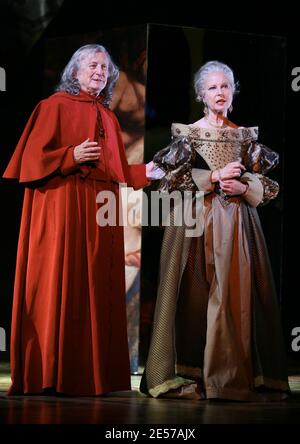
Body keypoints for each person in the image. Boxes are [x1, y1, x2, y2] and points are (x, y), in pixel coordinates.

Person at [3, 44, 156, 396]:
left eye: (105, 67)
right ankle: (51, 373)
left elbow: (115, 169)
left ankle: (89, 373)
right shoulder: (52, 106)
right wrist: (70, 155)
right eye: (93, 65)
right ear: (75, 72)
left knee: (92, 289)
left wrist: (147, 171)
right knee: (59, 282)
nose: (101, 71)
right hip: (60, 210)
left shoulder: (109, 117)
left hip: (97, 216)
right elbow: (30, 161)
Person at [140, 60, 290, 401]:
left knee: (233, 296)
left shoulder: (244, 136)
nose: (220, 93)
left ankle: (230, 376)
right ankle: (188, 371)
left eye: (225, 86)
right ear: (200, 95)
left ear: (233, 92)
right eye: (212, 87)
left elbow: (267, 185)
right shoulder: (187, 134)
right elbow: (167, 182)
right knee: (193, 297)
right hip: (194, 222)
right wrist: (213, 178)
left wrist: (246, 186)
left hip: (237, 223)